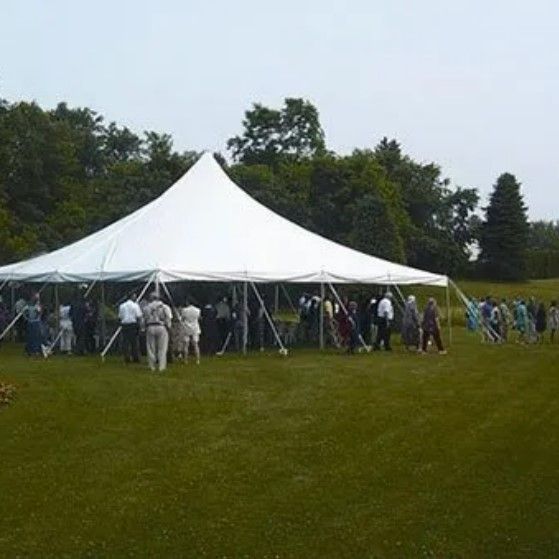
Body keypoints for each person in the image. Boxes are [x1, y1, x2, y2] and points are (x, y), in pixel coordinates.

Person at [143, 292, 172, 372]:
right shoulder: (165, 307)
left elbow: (144, 319)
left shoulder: (146, 307)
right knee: (162, 348)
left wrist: (144, 328)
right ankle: (161, 366)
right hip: (161, 326)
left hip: (150, 326)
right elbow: (168, 318)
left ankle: (152, 366)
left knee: (150, 347)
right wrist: (169, 327)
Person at [118, 293, 143, 363]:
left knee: (125, 342)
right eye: (135, 296)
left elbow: (120, 317)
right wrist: (139, 326)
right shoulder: (135, 306)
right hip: (133, 324)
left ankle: (126, 357)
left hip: (125, 324)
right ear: (132, 297)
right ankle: (135, 357)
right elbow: (138, 316)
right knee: (134, 342)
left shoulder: (122, 306)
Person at [179, 299, 202, 364]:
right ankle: (198, 360)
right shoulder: (198, 310)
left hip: (186, 327)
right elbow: (199, 318)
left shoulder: (184, 310)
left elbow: (182, 318)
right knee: (196, 344)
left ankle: (185, 360)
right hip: (195, 327)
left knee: (186, 345)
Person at [23, 293, 43, 357]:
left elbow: (40, 313)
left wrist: (38, 317)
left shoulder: (37, 306)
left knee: (36, 337)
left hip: (35, 322)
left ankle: (36, 350)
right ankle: (30, 350)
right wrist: (26, 318)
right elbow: (24, 312)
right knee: (30, 337)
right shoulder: (28, 306)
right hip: (31, 322)